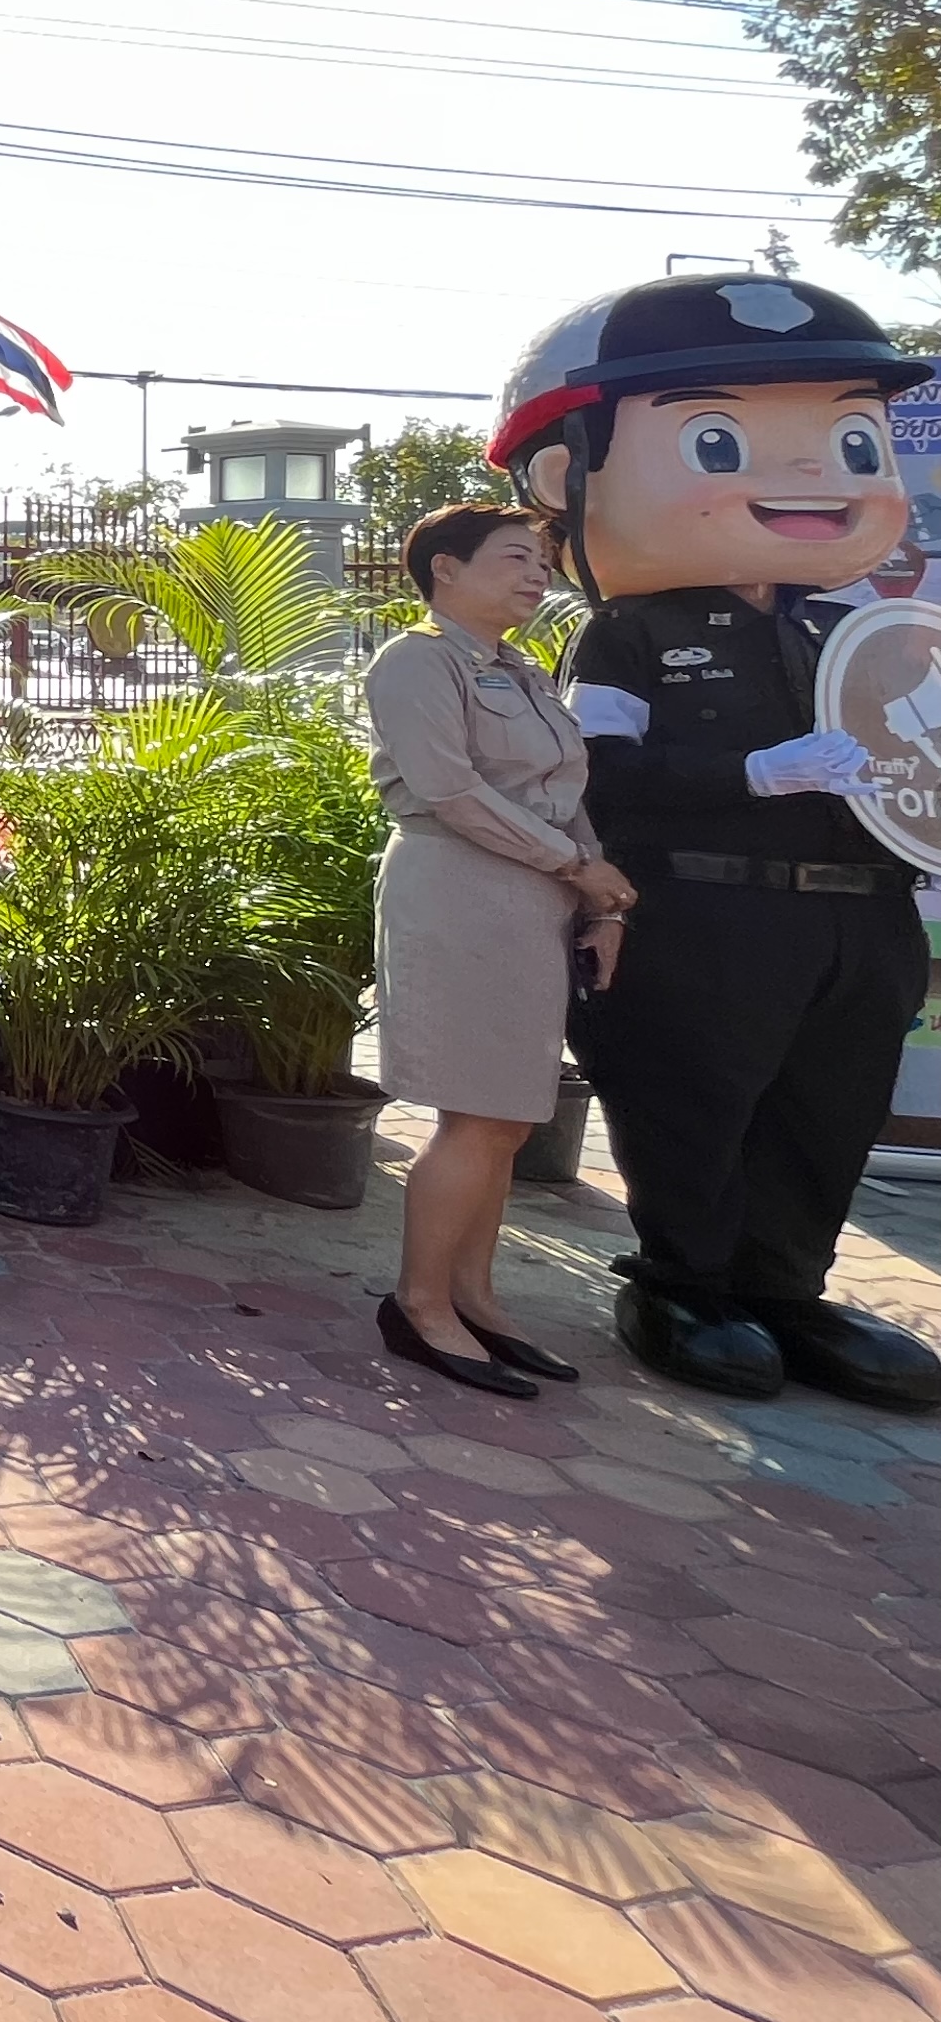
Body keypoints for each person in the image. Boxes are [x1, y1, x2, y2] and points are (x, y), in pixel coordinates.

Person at [500, 271, 941, 1408]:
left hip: (863, 910)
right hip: (705, 909)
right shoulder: (628, 636)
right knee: (697, 1100)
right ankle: (685, 1279)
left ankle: (789, 1287)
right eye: (716, 442)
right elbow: (598, 773)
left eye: (851, 440)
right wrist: (752, 772)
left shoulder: (874, 633)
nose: (809, 476)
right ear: (566, 477)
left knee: (829, 1106)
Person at [365, 505, 631, 1397]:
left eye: (544, 562)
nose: (538, 575)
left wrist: (603, 897)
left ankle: (474, 1295)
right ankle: (419, 1303)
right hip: (462, 892)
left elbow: (564, 790)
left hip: (537, 898)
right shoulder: (415, 661)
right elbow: (449, 791)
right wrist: (578, 867)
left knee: (512, 1118)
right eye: (516, 557)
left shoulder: (521, 672)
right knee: (476, 1114)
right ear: (446, 567)